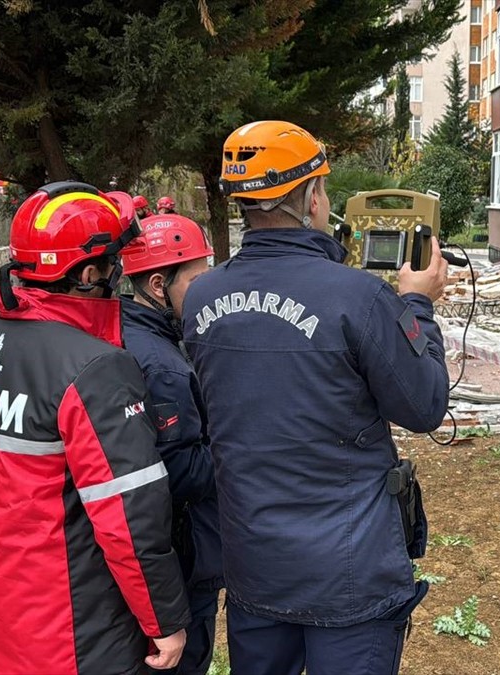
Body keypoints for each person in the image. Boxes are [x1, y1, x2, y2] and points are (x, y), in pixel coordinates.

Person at [181, 120, 450, 675]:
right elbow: (424, 406)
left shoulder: (202, 297)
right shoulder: (359, 297)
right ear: (311, 197)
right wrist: (418, 307)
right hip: (348, 576)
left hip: (255, 567)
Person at [0, 182, 190, 674]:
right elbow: (130, 521)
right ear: (89, 274)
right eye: (114, 267)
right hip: (80, 635)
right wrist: (165, 620)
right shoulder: (96, 370)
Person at [120, 214, 223, 675]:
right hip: (180, 562)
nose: (209, 292)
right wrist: (237, 446)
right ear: (159, 285)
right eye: (199, 281)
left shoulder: (122, 330)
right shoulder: (164, 367)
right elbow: (178, 472)